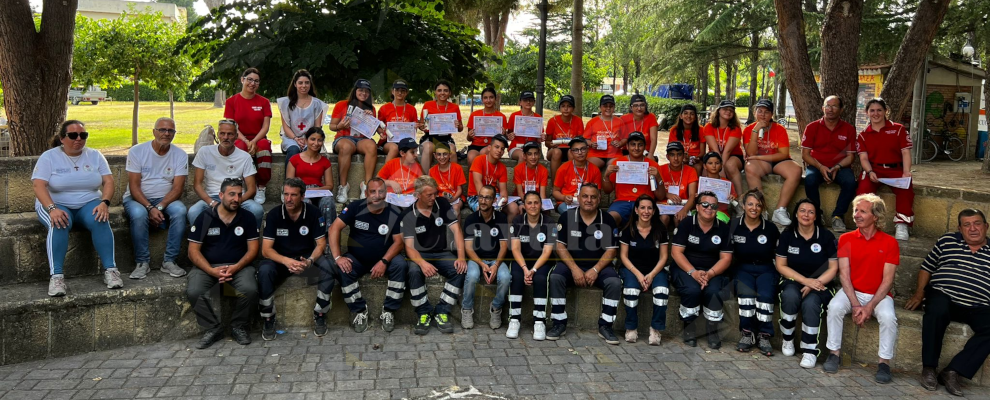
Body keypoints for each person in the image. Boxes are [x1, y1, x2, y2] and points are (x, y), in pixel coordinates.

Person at [906, 209, 990, 396]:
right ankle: (929, 368)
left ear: (986, 226)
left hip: (979, 304)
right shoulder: (947, 241)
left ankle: (953, 371)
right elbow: (927, 267)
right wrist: (919, 293)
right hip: (944, 295)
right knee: (936, 310)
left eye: (977, 223)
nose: (973, 228)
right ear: (960, 229)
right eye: (967, 225)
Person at [33, 120, 120, 296]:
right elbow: (38, 185)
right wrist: (52, 208)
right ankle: (56, 277)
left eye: (83, 135)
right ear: (62, 138)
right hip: (55, 203)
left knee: (100, 218)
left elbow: (108, 181)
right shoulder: (49, 157)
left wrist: (105, 202)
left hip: (88, 202)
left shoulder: (95, 155)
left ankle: (111, 270)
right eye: (73, 135)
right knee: (59, 222)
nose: (78, 139)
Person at [824, 193, 899, 383]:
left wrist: (870, 306)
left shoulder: (890, 243)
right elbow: (844, 276)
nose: (856, 214)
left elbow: (887, 280)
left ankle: (884, 363)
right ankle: (834, 353)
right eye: (856, 210)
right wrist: (857, 305)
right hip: (853, 292)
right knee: (834, 307)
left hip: (879, 295)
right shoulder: (846, 239)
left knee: (889, 318)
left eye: (862, 211)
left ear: (875, 216)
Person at [541, 184, 622, 344]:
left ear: (599, 199)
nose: (589, 200)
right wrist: (575, 269)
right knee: (556, 277)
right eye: (585, 196)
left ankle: (606, 326)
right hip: (571, 264)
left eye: (593, 197)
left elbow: (611, 251)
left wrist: (595, 269)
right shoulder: (567, 217)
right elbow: (560, 247)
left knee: (614, 282)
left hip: (599, 265)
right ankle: (559, 323)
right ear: (578, 198)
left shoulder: (607, 219)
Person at [185, 178, 260, 349]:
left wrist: (236, 267)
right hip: (208, 266)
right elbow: (193, 252)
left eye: (239, 195)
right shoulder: (205, 217)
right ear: (221, 195)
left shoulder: (247, 217)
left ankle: (238, 326)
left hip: (239, 266)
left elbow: (253, 250)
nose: (236, 199)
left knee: (250, 289)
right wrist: (212, 271)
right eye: (231, 194)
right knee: (194, 290)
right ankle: (213, 328)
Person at [327, 178, 408, 333]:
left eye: (381, 191)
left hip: (385, 259)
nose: (377, 195)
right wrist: (338, 257)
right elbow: (334, 229)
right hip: (358, 259)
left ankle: (389, 311)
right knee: (343, 268)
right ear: (366, 193)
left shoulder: (394, 211)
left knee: (401, 265)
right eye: (372, 191)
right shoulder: (355, 207)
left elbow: (399, 242)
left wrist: (384, 261)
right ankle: (359, 311)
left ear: (386, 193)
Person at [257, 179, 333, 340]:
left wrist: (310, 261)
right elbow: (266, 250)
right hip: (280, 260)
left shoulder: (313, 212)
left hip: (305, 260)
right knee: (264, 270)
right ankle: (268, 318)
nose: (289, 199)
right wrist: (286, 261)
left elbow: (320, 244)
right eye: (286, 194)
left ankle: (320, 313)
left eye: (293, 195)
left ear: (303, 196)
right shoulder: (274, 214)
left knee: (328, 267)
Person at [122, 117, 189, 280]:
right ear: (154, 132)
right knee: (139, 215)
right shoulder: (137, 151)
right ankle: (142, 262)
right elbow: (134, 187)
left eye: (170, 131)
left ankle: (169, 261)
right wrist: (149, 208)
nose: (166, 133)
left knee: (180, 211)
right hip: (136, 199)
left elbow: (178, 188)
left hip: (165, 200)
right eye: (162, 130)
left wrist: (158, 207)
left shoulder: (180, 154)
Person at [776, 199, 838, 369]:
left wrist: (813, 284)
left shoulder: (826, 236)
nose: (806, 215)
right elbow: (781, 266)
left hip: (821, 283)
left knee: (811, 303)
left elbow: (833, 268)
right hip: (793, 279)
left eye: (811, 212)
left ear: (816, 216)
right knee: (790, 295)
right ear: (796, 214)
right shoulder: (787, 235)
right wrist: (804, 281)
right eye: (802, 210)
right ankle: (787, 339)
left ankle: (809, 351)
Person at [403, 176, 468, 335]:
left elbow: (457, 230)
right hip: (420, 254)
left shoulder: (443, 203)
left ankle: (442, 311)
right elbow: (409, 248)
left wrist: (461, 257)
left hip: (441, 252)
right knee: (413, 271)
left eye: (435, 193)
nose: (434, 197)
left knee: (460, 269)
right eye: (429, 195)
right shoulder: (409, 214)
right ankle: (423, 312)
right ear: (418, 195)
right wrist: (423, 264)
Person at [671, 191, 733, 349]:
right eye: (705, 204)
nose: (709, 208)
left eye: (713, 206)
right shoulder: (686, 224)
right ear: (697, 207)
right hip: (686, 268)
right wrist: (693, 272)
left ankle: (712, 330)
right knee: (692, 290)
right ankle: (689, 329)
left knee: (713, 291)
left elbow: (726, 258)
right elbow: (676, 252)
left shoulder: (723, 228)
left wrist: (710, 274)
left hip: (713, 270)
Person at [856, 97, 914, 241]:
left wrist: (906, 172)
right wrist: (870, 172)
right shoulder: (863, 135)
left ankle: (902, 223)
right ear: (867, 113)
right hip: (874, 170)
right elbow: (863, 158)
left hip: (896, 170)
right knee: (863, 191)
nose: (876, 114)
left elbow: (905, 152)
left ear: (885, 111)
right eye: (872, 110)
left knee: (906, 190)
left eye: (879, 110)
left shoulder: (898, 129)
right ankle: (865, 224)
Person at [731, 190, 781, 356]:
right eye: (750, 204)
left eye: (758, 205)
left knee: (765, 297)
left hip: (765, 268)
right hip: (742, 268)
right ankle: (747, 334)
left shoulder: (771, 228)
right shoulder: (734, 225)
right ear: (744, 206)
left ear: (763, 208)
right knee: (746, 296)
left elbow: (778, 254)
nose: (754, 208)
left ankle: (764, 336)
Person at [187, 119, 265, 226]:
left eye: (230, 134)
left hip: (236, 198)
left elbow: (251, 189)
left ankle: (250, 240)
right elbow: (197, 184)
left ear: (236, 136)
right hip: (213, 197)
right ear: (218, 134)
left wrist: (236, 201)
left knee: (256, 209)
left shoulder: (244, 157)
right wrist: (212, 202)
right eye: (222, 133)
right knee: (193, 212)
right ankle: (200, 241)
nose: (225, 137)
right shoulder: (205, 152)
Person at [617, 195, 670, 345]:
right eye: (642, 208)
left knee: (661, 291)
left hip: (655, 269)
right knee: (631, 291)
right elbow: (624, 257)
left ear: (654, 211)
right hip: (632, 269)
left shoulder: (660, 230)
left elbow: (664, 257)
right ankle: (631, 327)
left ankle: (655, 328)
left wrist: (651, 275)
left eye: (649, 208)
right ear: (636, 210)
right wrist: (640, 275)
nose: (646, 211)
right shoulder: (628, 229)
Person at [801, 95, 857, 232]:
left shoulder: (849, 129)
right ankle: (817, 214)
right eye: (827, 106)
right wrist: (820, 167)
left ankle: (838, 216)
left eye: (834, 106)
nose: (830, 109)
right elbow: (805, 155)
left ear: (841, 109)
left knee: (850, 182)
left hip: (840, 166)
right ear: (823, 108)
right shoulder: (812, 127)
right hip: (816, 165)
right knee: (810, 180)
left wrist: (837, 167)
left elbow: (850, 157)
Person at [743, 99, 800, 227]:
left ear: (772, 114)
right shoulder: (749, 130)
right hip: (759, 163)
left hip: (778, 161)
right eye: (760, 111)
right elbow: (751, 154)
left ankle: (780, 210)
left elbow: (783, 154)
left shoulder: (779, 129)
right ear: (754, 112)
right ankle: (760, 209)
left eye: (767, 112)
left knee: (796, 170)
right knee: (750, 167)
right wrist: (755, 131)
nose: (763, 115)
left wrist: (759, 158)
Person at [461, 185, 511, 330]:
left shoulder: (501, 218)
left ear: (494, 200)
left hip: (496, 259)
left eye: (487, 197)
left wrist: (495, 266)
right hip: (477, 258)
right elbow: (468, 248)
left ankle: (496, 308)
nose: (483, 201)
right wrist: (482, 264)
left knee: (506, 277)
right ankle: (466, 309)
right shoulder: (471, 219)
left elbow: (503, 246)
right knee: (472, 275)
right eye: (481, 197)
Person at [508, 191, 557, 340]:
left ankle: (539, 321)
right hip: (522, 260)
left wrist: (533, 270)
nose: (533, 206)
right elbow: (515, 249)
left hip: (541, 261)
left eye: (536, 202)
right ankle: (514, 319)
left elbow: (547, 251)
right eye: (529, 203)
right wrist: (525, 269)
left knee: (540, 279)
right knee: (515, 276)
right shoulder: (517, 221)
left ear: (541, 205)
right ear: (524, 205)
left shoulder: (549, 223)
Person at [329, 79, 382, 203]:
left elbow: (372, 132)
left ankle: (366, 185)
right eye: (361, 90)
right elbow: (332, 126)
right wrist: (340, 126)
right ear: (355, 91)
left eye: (367, 91)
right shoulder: (342, 105)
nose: (363, 93)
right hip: (343, 137)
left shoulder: (371, 108)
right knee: (346, 147)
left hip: (362, 139)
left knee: (371, 146)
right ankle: (343, 186)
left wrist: (370, 119)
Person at [225, 67, 273, 204]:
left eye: (256, 81)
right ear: (242, 80)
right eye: (249, 79)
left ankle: (261, 187)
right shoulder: (231, 101)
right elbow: (231, 126)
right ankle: (240, 186)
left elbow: (265, 127)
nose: (252, 83)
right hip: (239, 138)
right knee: (238, 149)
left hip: (259, 138)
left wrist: (254, 141)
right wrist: (246, 141)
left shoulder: (264, 102)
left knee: (263, 147)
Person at [602, 131, 665, 225]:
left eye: (640, 145)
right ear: (627, 146)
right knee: (609, 219)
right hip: (621, 202)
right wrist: (606, 176)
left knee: (650, 220)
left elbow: (660, 196)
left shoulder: (653, 165)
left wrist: (659, 178)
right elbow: (607, 191)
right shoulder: (618, 163)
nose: (636, 148)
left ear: (644, 147)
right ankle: (614, 239)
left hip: (645, 203)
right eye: (633, 144)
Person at [286, 127, 337, 225]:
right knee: (305, 202)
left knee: (328, 202)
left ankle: (327, 234)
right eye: (312, 139)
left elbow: (330, 186)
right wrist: (303, 190)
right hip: (300, 191)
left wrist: (315, 190)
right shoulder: (294, 160)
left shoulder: (325, 162)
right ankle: (305, 234)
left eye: (319, 140)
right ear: (306, 140)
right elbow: (289, 183)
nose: (316, 143)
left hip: (319, 191)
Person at [276, 69, 326, 166]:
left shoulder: (316, 103)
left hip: (310, 139)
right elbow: (286, 126)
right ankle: (289, 180)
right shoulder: (286, 103)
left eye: (307, 83)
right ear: (295, 84)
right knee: (294, 150)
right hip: (291, 138)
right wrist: (296, 138)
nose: (304, 86)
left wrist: (307, 140)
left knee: (310, 150)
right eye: (300, 83)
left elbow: (317, 128)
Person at [417, 80, 463, 172]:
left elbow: (461, 128)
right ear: (435, 92)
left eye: (445, 90)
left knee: (452, 150)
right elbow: (422, 125)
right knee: (429, 147)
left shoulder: (454, 107)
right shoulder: (428, 105)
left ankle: (454, 180)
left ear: (449, 93)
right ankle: (424, 179)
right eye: (439, 90)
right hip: (430, 138)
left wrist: (458, 125)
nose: (442, 93)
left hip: (446, 138)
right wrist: (422, 126)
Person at [703, 100, 744, 199]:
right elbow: (715, 150)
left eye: (731, 110)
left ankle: (740, 196)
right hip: (714, 154)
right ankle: (704, 198)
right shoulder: (709, 126)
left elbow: (727, 151)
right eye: (725, 109)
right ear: (718, 111)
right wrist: (717, 165)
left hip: (733, 155)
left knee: (729, 165)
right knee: (705, 169)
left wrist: (720, 168)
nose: (728, 112)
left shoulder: (736, 128)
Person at [467, 134, 514, 220]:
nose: (499, 150)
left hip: (495, 196)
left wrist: (503, 199)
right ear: (489, 148)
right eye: (497, 147)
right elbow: (479, 188)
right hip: (477, 196)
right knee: (485, 210)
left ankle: (507, 232)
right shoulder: (478, 160)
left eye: (502, 149)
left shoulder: (502, 167)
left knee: (514, 208)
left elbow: (503, 192)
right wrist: (490, 200)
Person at [551, 137, 602, 214]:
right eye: (576, 150)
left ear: (587, 149)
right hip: (567, 203)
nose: (580, 152)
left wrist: (589, 201)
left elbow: (598, 193)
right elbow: (555, 191)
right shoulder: (563, 168)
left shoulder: (595, 169)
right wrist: (564, 198)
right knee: (572, 215)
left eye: (583, 149)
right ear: (571, 152)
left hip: (587, 202)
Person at [377, 79, 419, 164]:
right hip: (388, 141)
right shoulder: (384, 108)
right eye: (397, 90)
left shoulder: (412, 109)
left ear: (406, 93)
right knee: (394, 148)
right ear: (393, 91)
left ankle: (411, 176)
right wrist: (382, 133)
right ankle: (384, 175)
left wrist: (415, 127)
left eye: (403, 91)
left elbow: (414, 129)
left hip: (406, 141)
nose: (400, 93)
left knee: (413, 153)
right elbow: (378, 126)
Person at [658, 142, 699, 226]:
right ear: (667, 157)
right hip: (664, 205)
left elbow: (692, 195)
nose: (676, 158)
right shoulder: (660, 169)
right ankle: (662, 238)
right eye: (672, 155)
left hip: (682, 204)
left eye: (679, 155)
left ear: (684, 156)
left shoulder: (691, 171)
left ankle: (679, 238)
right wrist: (666, 194)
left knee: (679, 218)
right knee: (664, 218)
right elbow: (655, 192)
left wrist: (685, 210)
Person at [465, 87, 507, 165]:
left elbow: (505, 139)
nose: (488, 100)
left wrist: (504, 134)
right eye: (485, 98)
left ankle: (487, 177)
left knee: (484, 153)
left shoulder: (501, 117)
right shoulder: (475, 115)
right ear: (482, 100)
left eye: (491, 97)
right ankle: (473, 177)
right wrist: (469, 135)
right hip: (475, 145)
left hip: (492, 146)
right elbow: (469, 139)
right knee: (471, 157)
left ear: (495, 99)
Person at [545, 95, 584, 177]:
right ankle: (554, 186)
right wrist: (551, 144)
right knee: (557, 152)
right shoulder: (552, 121)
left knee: (572, 152)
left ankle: (573, 183)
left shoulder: (578, 121)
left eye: (569, 106)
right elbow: (547, 142)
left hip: (571, 149)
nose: (566, 109)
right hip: (555, 150)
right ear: (559, 108)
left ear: (573, 108)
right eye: (563, 106)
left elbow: (581, 141)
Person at [584, 95, 626, 169]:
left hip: (614, 154)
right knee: (589, 168)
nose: (608, 108)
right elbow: (585, 139)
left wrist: (620, 143)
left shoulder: (620, 121)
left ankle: (606, 179)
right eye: (605, 106)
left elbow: (625, 138)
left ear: (614, 107)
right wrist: (591, 144)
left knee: (617, 168)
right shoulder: (592, 122)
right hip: (595, 154)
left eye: (611, 106)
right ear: (600, 107)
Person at [429, 142, 467, 215]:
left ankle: (457, 226)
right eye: (439, 154)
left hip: (456, 197)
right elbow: (433, 190)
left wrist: (453, 199)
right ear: (435, 155)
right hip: (440, 198)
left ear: (450, 154)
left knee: (455, 208)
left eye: (445, 154)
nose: (442, 157)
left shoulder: (457, 168)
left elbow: (459, 190)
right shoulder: (432, 171)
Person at [668, 104, 706, 175]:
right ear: (681, 116)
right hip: (679, 157)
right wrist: (682, 157)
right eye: (685, 113)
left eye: (692, 114)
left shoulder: (701, 130)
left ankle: (695, 185)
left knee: (698, 167)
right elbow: (671, 149)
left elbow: (702, 152)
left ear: (695, 117)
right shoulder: (674, 130)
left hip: (695, 160)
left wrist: (694, 158)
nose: (688, 116)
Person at [507, 91, 544, 162]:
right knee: (523, 155)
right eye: (525, 100)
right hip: (516, 147)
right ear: (520, 102)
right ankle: (519, 173)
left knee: (531, 156)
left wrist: (541, 137)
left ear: (534, 102)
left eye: (530, 100)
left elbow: (539, 136)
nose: (528, 102)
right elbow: (509, 133)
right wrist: (509, 136)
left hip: (532, 147)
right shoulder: (514, 116)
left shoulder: (538, 117)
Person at [620, 94, 660, 159]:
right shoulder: (623, 119)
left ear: (645, 106)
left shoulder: (651, 117)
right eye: (636, 105)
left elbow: (653, 139)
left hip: (645, 152)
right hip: (627, 152)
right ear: (631, 107)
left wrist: (650, 154)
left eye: (642, 105)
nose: (639, 108)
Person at [512, 142, 549, 209]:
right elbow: (520, 193)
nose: (533, 157)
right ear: (524, 156)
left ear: (539, 155)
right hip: (521, 199)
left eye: (536, 154)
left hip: (536, 200)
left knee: (544, 210)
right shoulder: (518, 169)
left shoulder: (543, 170)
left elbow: (542, 195)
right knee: (520, 208)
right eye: (529, 154)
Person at [699, 152, 737, 216]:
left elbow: (734, 199)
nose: (714, 166)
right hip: (704, 211)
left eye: (717, 163)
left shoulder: (727, 183)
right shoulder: (700, 183)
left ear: (721, 165)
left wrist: (732, 197)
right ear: (704, 166)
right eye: (710, 163)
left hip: (721, 213)